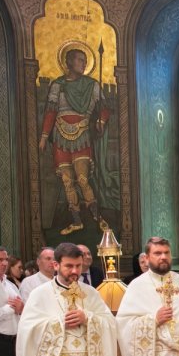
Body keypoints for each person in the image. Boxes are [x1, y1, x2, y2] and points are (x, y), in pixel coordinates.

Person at [40, 47, 110, 236]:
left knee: (83, 179)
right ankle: (77, 221)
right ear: (69, 62)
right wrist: (44, 136)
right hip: (61, 136)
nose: (84, 63)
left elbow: (104, 108)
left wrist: (101, 121)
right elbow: (51, 112)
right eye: (80, 60)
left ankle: (97, 218)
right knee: (67, 181)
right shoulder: (58, 85)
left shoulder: (92, 85)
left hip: (82, 135)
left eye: (85, 60)